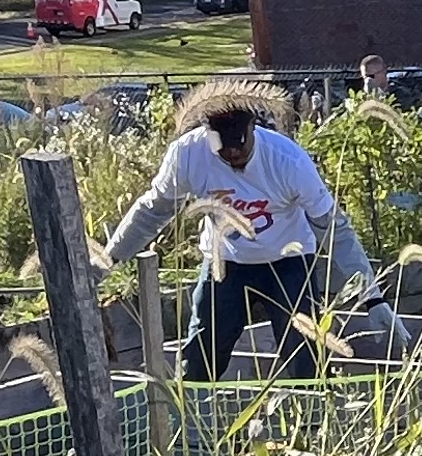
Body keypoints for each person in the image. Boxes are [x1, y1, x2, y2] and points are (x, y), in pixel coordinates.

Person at [105, 78, 359, 379]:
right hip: (225, 261)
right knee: (200, 356)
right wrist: (109, 259)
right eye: (223, 150)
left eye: (240, 146)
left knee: (304, 355)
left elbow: (334, 228)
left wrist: (373, 298)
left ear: (253, 127)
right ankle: (195, 408)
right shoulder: (187, 154)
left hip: (289, 261)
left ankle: (311, 406)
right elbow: (152, 211)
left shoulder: (288, 160)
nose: (233, 154)